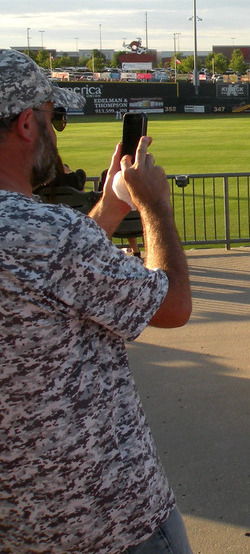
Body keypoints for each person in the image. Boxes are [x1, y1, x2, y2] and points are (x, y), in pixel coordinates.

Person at [0, 49, 194, 553]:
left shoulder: (47, 241)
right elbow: (172, 306)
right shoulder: (47, 234)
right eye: (53, 118)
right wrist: (153, 206)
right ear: (26, 124)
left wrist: (109, 208)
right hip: (104, 520)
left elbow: (53, 277)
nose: (53, 133)